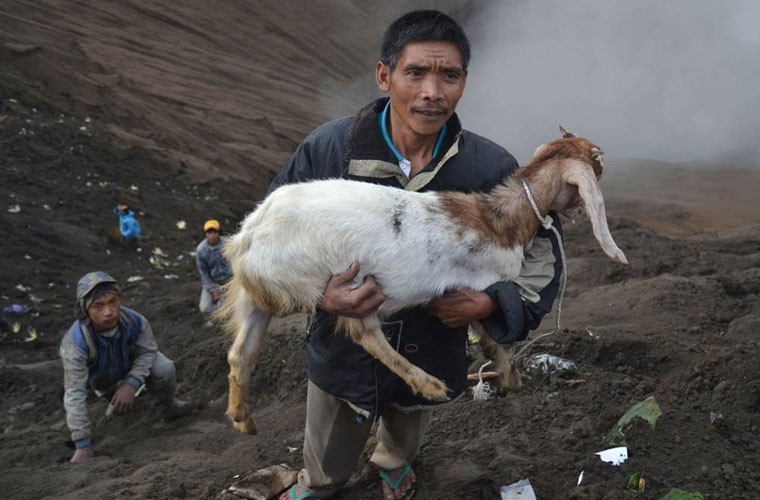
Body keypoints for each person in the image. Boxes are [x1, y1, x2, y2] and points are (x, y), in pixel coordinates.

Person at [268, 10, 563, 500]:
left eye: (448, 75)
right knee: (330, 442)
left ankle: (394, 466)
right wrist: (323, 296)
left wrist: (492, 305)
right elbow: (270, 239)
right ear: (384, 76)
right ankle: (320, 484)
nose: (432, 91)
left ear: (464, 82)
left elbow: (540, 254)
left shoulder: (489, 168)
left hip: (433, 343)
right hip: (344, 346)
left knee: (409, 417)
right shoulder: (328, 152)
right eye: (415, 73)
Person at [59, 271, 194, 463]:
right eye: (98, 306)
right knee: (105, 405)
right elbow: (74, 392)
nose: (109, 312)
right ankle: (111, 398)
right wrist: (82, 444)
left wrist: (131, 384)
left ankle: (168, 409)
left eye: (113, 302)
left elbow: (148, 352)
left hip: (128, 366)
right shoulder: (76, 343)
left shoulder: (135, 321)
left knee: (164, 367)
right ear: (85, 309)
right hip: (100, 379)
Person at [195, 219, 233, 315]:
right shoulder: (201, 250)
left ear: (218, 233)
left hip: (230, 281)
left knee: (232, 305)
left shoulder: (228, 244)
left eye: (214, 232)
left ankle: (227, 313)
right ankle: (221, 317)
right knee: (205, 307)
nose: (211, 235)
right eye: (208, 232)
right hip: (213, 282)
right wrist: (212, 290)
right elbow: (204, 274)